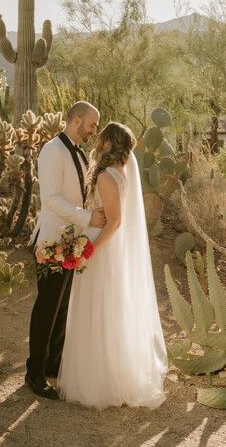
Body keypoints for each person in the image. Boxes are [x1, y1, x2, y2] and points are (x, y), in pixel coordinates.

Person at [58, 121, 168, 409]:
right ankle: (111, 375)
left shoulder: (107, 176)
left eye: (101, 137)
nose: (95, 141)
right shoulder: (120, 172)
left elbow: (116, 221)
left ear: (107, 145)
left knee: (98, 308)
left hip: (101, 249)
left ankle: (100, 383)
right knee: (107, 309)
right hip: (104, 246)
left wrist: (88, 252)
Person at [25, 101, 106, 400]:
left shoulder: (79, 153)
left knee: (62, 307)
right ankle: (34, 373)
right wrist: (87, 218)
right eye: (91, 125)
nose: (93, 132)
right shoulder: (52, 151)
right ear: (76, 119)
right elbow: (51, 200)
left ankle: (52, 363)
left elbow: (80, 195)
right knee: (47, 306)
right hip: (51, 242)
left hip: (72, 241)